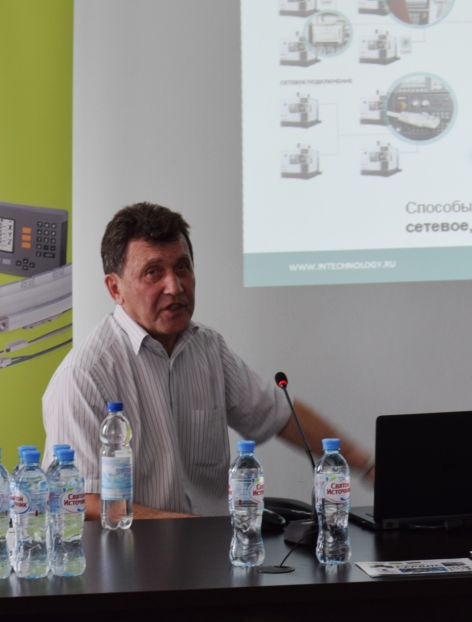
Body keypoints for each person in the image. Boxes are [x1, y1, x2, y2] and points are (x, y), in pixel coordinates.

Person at [42, 202, 372, 519]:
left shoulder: (208, 348)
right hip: (137, 550)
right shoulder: (84, 375)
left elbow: (280, 416)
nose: (174, 286)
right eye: (153, 272)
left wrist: (367, 465)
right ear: (115, 289)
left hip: (214, 545)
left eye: (182, 267)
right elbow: (80, 500)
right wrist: (180, 527)